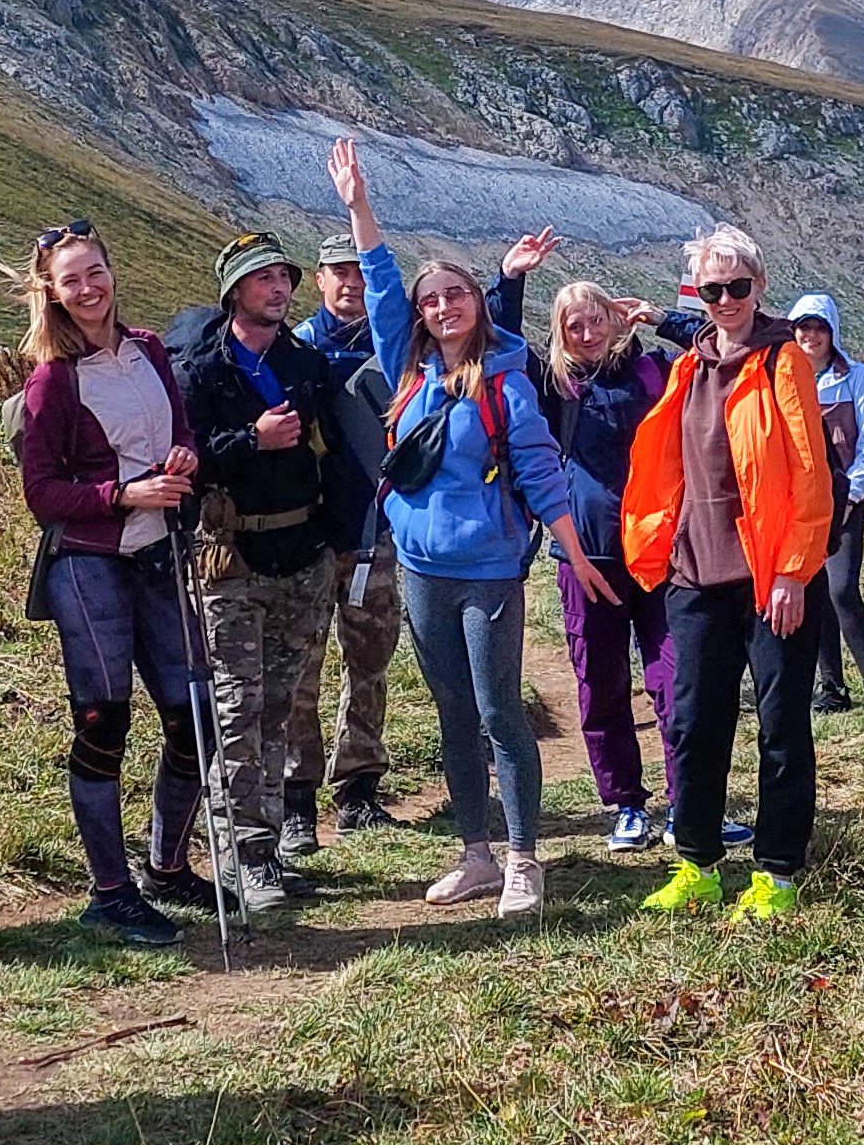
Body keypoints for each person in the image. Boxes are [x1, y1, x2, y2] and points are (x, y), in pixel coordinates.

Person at [330, 138, 603, 916]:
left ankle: (524, 859)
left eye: (456, 294)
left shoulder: (506, 383)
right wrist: (358, 205)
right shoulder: (408, 367)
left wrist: (576, 555)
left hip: (487, 571)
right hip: (421, 569)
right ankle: (475, 854)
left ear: (477, 304)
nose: (442, 306)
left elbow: (543, 471)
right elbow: (379, 282)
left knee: (497, 712)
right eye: (431, 299)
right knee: (453, 713)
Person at [619, 225, 837, 924]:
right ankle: (698, 864)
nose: (725, 300)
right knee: (693, 724)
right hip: (694, 573)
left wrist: (796, 572)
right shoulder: (693, 362)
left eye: (737, 286)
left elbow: (810, 472)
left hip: (771, 576)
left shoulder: (783, 361)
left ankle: (776, 872)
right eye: (712, 289)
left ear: (758, 285)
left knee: (779, 724)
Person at [13, 224, 204, 946]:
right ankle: (110, 890)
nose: (88, 288)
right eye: (71, 280)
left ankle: (166, 864)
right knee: (104, 721)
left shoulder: (150, 350)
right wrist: (123, 495)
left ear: (112, 271)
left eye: (96, 272)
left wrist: (183, 460)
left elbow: (178, 431)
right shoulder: (51, 379)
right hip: (89, 563)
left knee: (192, 716)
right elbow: (41, 495)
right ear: (51, 293)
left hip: (157, 555)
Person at [162, 233, 354, 916]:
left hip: (303, 558)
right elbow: (181, 460)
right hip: (231, 562)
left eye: (282, 277)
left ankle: (264, 846)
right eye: (261, 279)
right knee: (238, 711)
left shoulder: (306, 364)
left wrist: (340, 541)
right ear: (233, 293)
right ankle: (241, 854)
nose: (276, 289)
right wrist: (252, 440)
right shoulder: (198, 371)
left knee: (280, 707)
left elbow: (339, 455)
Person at [503, 249, 681, 853]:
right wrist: (511, 278)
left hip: (662, 547)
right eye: (572, 325)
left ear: (615, 317)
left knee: (674, 679)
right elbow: (497, 342)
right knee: (600, 681)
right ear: (560, 333)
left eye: (595, 318)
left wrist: (661, 317)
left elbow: (718, 344)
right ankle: (627, 805)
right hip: (587, 555)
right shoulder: (552, 386)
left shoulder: (655, 371)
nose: (586, 332)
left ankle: (687, 802)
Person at [292, 243, 402, 840]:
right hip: (305, 538)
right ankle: (297, 800)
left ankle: (359, 789)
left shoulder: (398, 346)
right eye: (340, 272)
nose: (352, 283)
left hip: (374, 536)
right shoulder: (295, 350)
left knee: (371, 663)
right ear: (320, 279)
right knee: (301, 670)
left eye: (362, 273)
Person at [790, 295, 864, 726]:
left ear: (832, 331)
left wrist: (851, 495)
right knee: (815, 590)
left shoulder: (856, 378)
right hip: (803, 504)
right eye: (802, 327)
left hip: (844, 502)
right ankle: (832, 686)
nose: (810, 336)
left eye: (818, 327)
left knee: (841, 589)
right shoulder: (789, 379)